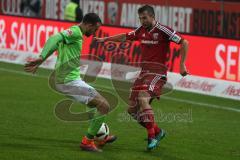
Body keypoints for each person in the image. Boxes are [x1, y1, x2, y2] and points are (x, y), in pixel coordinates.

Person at [95, 5, 189, 150]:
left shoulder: (163, 30)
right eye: (140, 18)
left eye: (144, 17)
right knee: (132, 111)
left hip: (158, 72)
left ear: (152, 16)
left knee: (143, 98)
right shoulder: (141, 31)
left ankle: (151, 137)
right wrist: (105, 40)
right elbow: (125, 36)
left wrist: (182, 65)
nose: (142, 21)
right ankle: (158, 131)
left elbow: (184, 42)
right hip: (144, 73)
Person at [24, 13, 116, 152]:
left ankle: (99, 136)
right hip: (68, 81)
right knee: (104, 106)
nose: (94, 32)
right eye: (95, 29)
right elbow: (54, 38)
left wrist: (41, 60)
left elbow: (56, 44)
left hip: (70, 79)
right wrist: (41, 57)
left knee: (93, 104)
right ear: (89, 25)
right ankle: (87, 142)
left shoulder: (72, 32)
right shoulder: (75, 33)